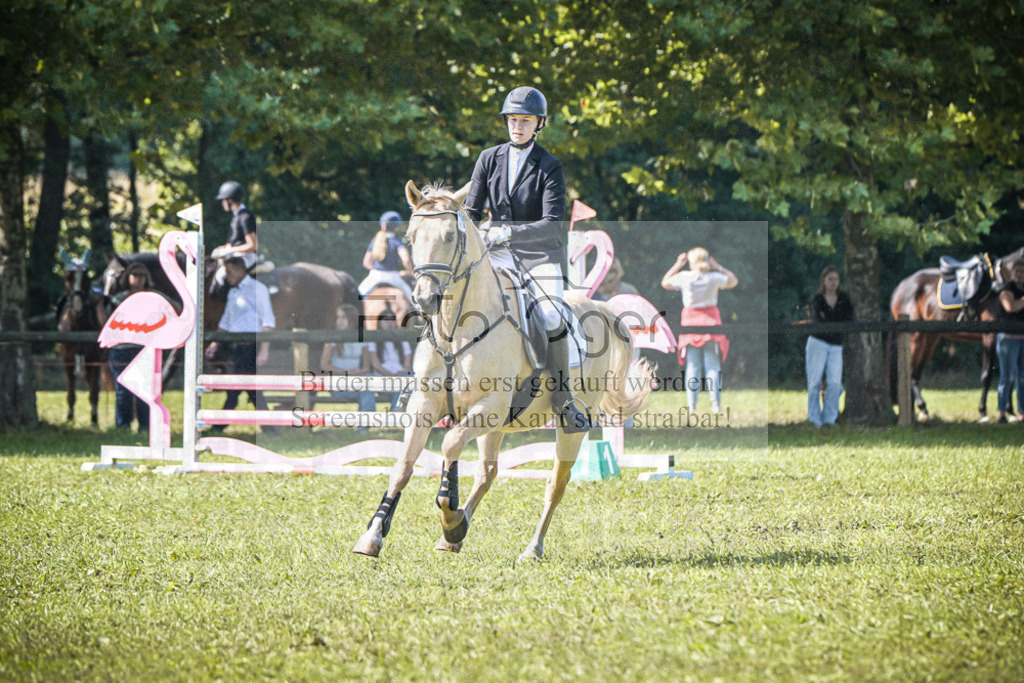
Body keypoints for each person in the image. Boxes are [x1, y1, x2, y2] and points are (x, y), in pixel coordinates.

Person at [464, 85, 591, 433]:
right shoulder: (488, 158)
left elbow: (552, 223)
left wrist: (508, 233)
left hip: (538, 256)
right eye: (513, 120)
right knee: (458, 298)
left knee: (550, 315)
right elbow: (472, 211)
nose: (517, 126)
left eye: (525, 121)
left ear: (539, 124)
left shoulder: (549, 165)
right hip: (495, 255)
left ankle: (564, 399)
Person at [661, 247, 738, 413]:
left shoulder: (685, 277)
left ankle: (692, 405)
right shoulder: (714, 278)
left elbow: (665, 282)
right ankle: (715, 403)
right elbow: (733, 281)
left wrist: (677, 264)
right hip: (711, 322)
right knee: (712, 365)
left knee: (693, 366)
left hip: (690, 323)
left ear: (691, 262)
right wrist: (718, 267)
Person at [204, 257, 276, 432]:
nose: (226, 277)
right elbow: (226, 321)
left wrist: (264, 351)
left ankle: (219, 426)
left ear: (239, 270)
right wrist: (215, 342)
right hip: (239, 347)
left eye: (229, 272)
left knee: (236, 387)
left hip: (252, 346)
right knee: (251, 388)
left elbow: (268, 321)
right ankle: (270, 428)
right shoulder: (233, 292)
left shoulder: (258, 289)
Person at [107, 263, 170, 431]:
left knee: (145, 391)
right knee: (123, 392)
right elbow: (106, 321)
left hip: (144, 350)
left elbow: (174, 308)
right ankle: (123, 426)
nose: (139, 278)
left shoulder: (154, 297)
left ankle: (145, 426)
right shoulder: (118, 299)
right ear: (127, 276)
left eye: (142, 274)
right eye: (135, 274)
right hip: (120, 350)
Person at [804, 266, 854, 428]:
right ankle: (814, 419)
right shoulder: (817, 299)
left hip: (836, 345)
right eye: (830, 279)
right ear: (824, 281)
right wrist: (834, 319)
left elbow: (848, 318)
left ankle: (829, 419)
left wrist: (829, 318)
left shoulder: (844, 298)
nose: (833, 282)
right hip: (818, 343)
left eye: (836, 279)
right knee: (814, 382)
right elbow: (819, 320)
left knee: (834, 383)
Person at [319, 304, 377, 417]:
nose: (340, 321)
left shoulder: (362, 338)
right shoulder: (332, 338)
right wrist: (347, 372)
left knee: (367, 384)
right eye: (338, 317)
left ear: (352, 320)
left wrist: (359, 372)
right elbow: (324, 365)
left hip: (356, 381)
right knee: (366, 389)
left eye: (344, 317)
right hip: (337, 382)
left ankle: (365, 422)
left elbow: (366, 367)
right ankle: (367, 422)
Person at [358, 211, 415, 304]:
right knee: (412, 298)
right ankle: (418, 311)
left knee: (359, 296)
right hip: (393, 277)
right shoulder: (397, 242)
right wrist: (409, 272)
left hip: (375, 276)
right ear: (396, 227)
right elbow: (406, 259)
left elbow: (366, 262)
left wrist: (376, 269)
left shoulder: (375, 241)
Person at [211, 180, 260, 289]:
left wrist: (230, 250)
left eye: (223, 200)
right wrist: (222, 248)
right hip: (237, 257)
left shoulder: (245, 216)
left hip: (246, 258)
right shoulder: (237, 216)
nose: (222, 203)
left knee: (221, 277)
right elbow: (235, 241)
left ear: (230, 199)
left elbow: (253, 245)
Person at [366, 307, 415, 409]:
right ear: (380, 323)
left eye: (392, 320)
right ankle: (396, 410)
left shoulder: (402, 340)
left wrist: (401, 373)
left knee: (408, 379)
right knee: (401, 386)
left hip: (400, 376)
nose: (390, 323)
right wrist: (391, 375)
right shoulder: (373, 340)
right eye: (386, 320)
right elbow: (376, 365)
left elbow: (407, 364)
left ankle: (396, 410)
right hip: (382, 378)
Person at [996, 257, 1024, 423]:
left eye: (1023, 272)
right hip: (1008, 339)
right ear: (1013, 273)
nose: (1020, 275)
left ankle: (1022, 412)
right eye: (1017, 272)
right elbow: (1010, 307)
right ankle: (1002, 412)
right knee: (1007, 377)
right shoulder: (1006, 289)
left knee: (1023, 378)